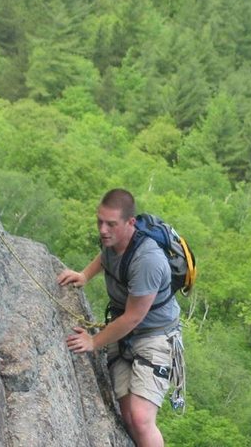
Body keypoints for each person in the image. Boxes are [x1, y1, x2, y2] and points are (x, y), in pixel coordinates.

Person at [57, 188, 181, 447]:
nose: (103, 230)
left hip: (154, 337)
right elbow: (106, 256)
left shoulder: (148, 260)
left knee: (141, 418)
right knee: (126, 414)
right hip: (124, 333)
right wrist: (84, 275)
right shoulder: (113, 241)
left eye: (111, 224)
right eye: (100, 221)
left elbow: (133, 318)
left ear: (130, 223)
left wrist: (93, 342)